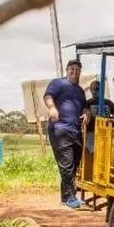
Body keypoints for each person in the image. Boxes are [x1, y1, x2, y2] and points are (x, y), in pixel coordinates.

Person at [43, 59, 90, 209]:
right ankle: (71, 196)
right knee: (66, 164)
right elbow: (48, 96)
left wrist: (87, 113)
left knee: (74, 163)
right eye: (72, 69)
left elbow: (84, 107)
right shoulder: (58, 83)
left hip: (75, 130)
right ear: (67, 70)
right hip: (59, 128)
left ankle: (65, 197)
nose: (74, 72)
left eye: (77, 70)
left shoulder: (80, 91)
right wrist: (52, 108)